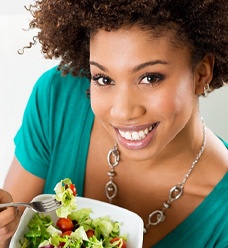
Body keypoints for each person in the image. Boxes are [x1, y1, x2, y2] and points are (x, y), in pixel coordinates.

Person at [2, 0, 228, 247]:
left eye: (149, 78)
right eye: (103, 78)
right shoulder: (60, 99)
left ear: (201, 73)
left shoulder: (221, 218)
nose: (122, 111)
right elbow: (12, 234)